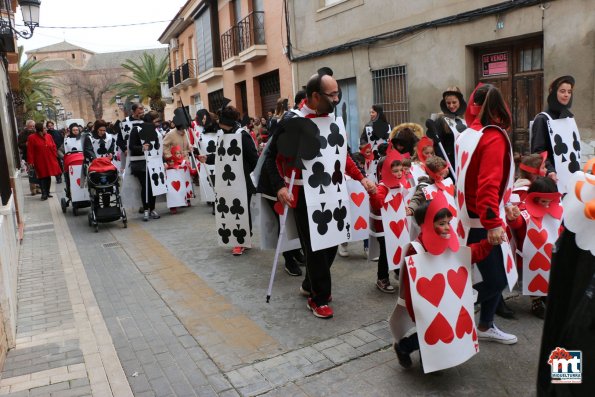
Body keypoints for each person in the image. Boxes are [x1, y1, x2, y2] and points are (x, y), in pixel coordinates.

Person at [258, 70, 376, 319]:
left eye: (338, 93)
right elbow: (270, 157)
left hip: (333, 193)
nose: (337, 99)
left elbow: (341, 156)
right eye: (332, 94)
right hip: (303, 195)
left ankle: (310, 284)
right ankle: (318, 297)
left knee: (332, 243)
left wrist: (362, 177)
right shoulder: (292, 121)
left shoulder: (334, 121)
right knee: (314, 248)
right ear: (314, 96)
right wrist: (279, 186)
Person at [391, 199, 492, 370]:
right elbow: (410, 286)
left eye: (448, 223)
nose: (447, 227)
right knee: (431, 331)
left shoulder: (449, 245)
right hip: (424, 304)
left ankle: (429, 359)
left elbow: (469, 254)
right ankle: (403, 347)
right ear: (427, 225)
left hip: (447, 300)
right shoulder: (415, 250)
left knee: (442, 330)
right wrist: (415, 310)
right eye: (441, 223)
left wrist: (489, 243)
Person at [456, 83, 517, 344]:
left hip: (469, 217)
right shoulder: (492, 136)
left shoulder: (469, 133)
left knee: (494, 277)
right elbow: (487, 184)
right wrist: (493, 223)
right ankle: (460, 318)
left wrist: (506, 203)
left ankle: (485, 324)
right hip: (483, 220)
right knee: (496, 279)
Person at [199, 105, 259, 256]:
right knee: (230, 211)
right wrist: (208, 158)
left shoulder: (242, 135)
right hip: (226, 182)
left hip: (243, 181)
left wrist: (245, 173)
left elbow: (254, 159)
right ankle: (240, 240)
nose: (218, 122)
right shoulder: (223, 134)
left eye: (220, 120)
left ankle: (242, 241)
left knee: (242, 211)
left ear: (225, 121)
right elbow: (221, 154)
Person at [507, 177, 561, 319]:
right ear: (534, 197)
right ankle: (536, 301)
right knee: (534, 278)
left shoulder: (554, 208)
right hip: (529, 254)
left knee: (549, 275)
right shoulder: (524, 210)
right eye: (544, 201)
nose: (547, 204)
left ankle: (544, 296)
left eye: (550, 201)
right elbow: (518, 224)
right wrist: (513, 218)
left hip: (550, 250)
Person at [530, 75, 577, 184]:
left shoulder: (569, 119)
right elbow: (539, 151)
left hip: (570, 178)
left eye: (569, 92)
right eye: (562, 91)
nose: (566, 95)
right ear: (553, 92)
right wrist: (550, 170)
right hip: (551, 179)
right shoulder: (542, 119)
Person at [128, 111, 163, 221]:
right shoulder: (136, 130)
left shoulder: (156, 131)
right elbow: (132, 146)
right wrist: (142, 148)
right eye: (155, 120)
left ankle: (152, 208)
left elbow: (158, 148)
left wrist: (164, 161)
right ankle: (146, 209)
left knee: (154, 186)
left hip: (154, 163)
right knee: (146, 185)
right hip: (140, 163)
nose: (158, 123)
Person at [431, 87, 467, 171]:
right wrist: (443, 165)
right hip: (449, 164)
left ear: (460, 102)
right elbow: (438, 146)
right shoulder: (440, 120)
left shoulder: (467, 118)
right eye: (448, 103)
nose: (451, 106)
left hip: (464, 159)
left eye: (454, 102)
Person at [27, 122, 62, 200]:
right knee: (42, 176)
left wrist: (55, 155)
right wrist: (31, 162)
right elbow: (30, 151)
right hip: (39, 160)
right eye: (44, 128)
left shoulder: (49, 136)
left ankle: (48, 192)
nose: (46, 129)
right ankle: (44, 193)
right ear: (40, 130)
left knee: (48, 175)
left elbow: (53, 146)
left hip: (49, 159)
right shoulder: (32, 137)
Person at [18, 120, 40, 195]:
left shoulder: (37, 132)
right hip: (27, 155)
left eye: (33, 126)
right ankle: (33, 189)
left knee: (38, 171)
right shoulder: (22, 134)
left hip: (37, 155)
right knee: (31, 172)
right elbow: (19, 145)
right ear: (27, 126)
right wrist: (26, 144)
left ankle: (39, 188)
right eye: (31, 126)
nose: (32, 128)